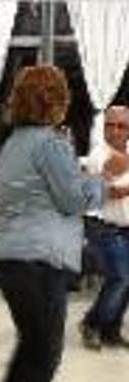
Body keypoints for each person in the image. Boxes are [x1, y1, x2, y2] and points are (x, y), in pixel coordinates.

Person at [0, 65, 106, 382]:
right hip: (39, 259)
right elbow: (72, 200)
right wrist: (102, 181)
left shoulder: (15, 142)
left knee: (32, 346)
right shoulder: (51, 145)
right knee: (45, 353)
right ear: (57, 100)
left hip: (8, 254)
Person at [78, 105, 129, 350]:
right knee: (119, 277)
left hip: (125, 225)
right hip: (103, 225)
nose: (115, 131)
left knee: (125, 280)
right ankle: (91, 323)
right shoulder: (99, 155)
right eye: (110, 125)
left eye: (121, 126)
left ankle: (111, 330)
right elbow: (107, 193)